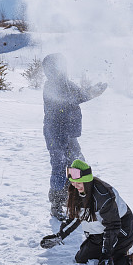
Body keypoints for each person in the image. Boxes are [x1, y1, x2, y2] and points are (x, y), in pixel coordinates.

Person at [40, 159, 133, 265]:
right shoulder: (77, 191)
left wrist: (106, 253)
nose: (75, 186)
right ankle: (118, 254)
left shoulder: (102, 196)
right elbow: (75, 217)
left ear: (86, 181)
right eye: (73, 183)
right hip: (100, 232)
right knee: (81, 258)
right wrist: (60, 235)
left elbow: (113, 226)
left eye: (78, 183)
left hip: (122, 230)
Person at [42, 53, 107, 220]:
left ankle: (75, 198)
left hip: (69, 134)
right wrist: (90, 93)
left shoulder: (67, 83)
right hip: (55, 133)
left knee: (78, 165)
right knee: (59, 166)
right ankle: (56, 204)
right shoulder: (50, 86)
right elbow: (69, 100)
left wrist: (94, 91)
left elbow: (80, 95)